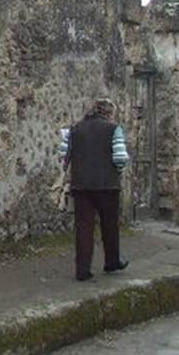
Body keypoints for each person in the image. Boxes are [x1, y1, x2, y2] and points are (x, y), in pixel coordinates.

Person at [63, 98, 130, 282]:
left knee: (84, 227)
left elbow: (64, 154)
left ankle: (82, 270)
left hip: (81, 185)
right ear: (108, 113)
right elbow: (120, 158)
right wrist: (117, 170)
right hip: (107, 185)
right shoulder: (113, 129)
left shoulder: (74, 129)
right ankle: (111, 261)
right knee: (109, 224)